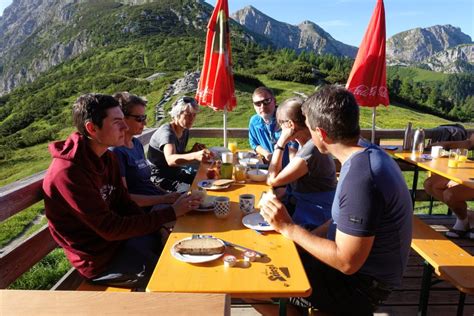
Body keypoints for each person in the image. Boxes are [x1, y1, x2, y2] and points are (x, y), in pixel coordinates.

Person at [260, 85, 413, 315]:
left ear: (321, 134)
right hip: (365, 275)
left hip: (362, 287)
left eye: (310, 129)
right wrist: (304, 239)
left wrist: (289, 228)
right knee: (281, 256)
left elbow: (346, 262)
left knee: (261, 281)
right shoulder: (367, 154)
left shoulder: (361, 177)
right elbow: (337, 221)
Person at [42, 93, 201, 288]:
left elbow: (124, 202)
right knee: (178, 274)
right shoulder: (68, 174)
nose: (125, 127)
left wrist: (159, 228)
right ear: (92, 128)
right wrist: (170, 212)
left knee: (189, 250)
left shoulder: (106, 158)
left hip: (125, 241)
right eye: (117, 122)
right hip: (102, 261)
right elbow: (110, 229)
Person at [266, 97, 337, 230]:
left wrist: (280, 143)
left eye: (281, 126)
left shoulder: (311, 149)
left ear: (290, 125)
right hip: (308, 209)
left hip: (316, 219)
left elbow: (272, 179)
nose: (281, 130)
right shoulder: (307, 143)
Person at [110, 92, 180, 211]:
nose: (145, 123)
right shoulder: (116, 152)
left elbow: (146, 182)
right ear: (122, 118)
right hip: (145, 210)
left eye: (144, 117)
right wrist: (164, 199)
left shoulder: (136, 144)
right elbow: (125, 199)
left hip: (158, 200)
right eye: (139, 118)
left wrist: (168, 195)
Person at [148, 96, 212, 192]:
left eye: (194, 115)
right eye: (188, 115)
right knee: (193, 191)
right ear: (176, 115)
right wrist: (194, 155)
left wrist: (192, 151)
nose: (192, 119)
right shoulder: (167, 133)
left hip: (176, 173)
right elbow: (170, 160)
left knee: (205, 181)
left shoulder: (184, 130)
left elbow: (178, 156)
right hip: (161, 178)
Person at [424, 134, 474, 239]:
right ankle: (465, 217)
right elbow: (469, 143)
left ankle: (463, 221)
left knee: (450, 194)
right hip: (468, 172)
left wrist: (460, 179)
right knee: (430, 184)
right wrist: (443, 144)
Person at [249, 87, 298, 164]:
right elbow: (254, 144)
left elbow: (294, 151)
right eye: (257, 103)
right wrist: (266, 153)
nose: (262, 106)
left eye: (266, 101)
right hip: (269, 167)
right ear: (254, 106)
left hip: (289, 168)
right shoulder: (254, 121)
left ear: (274, 101)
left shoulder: (286, 120)